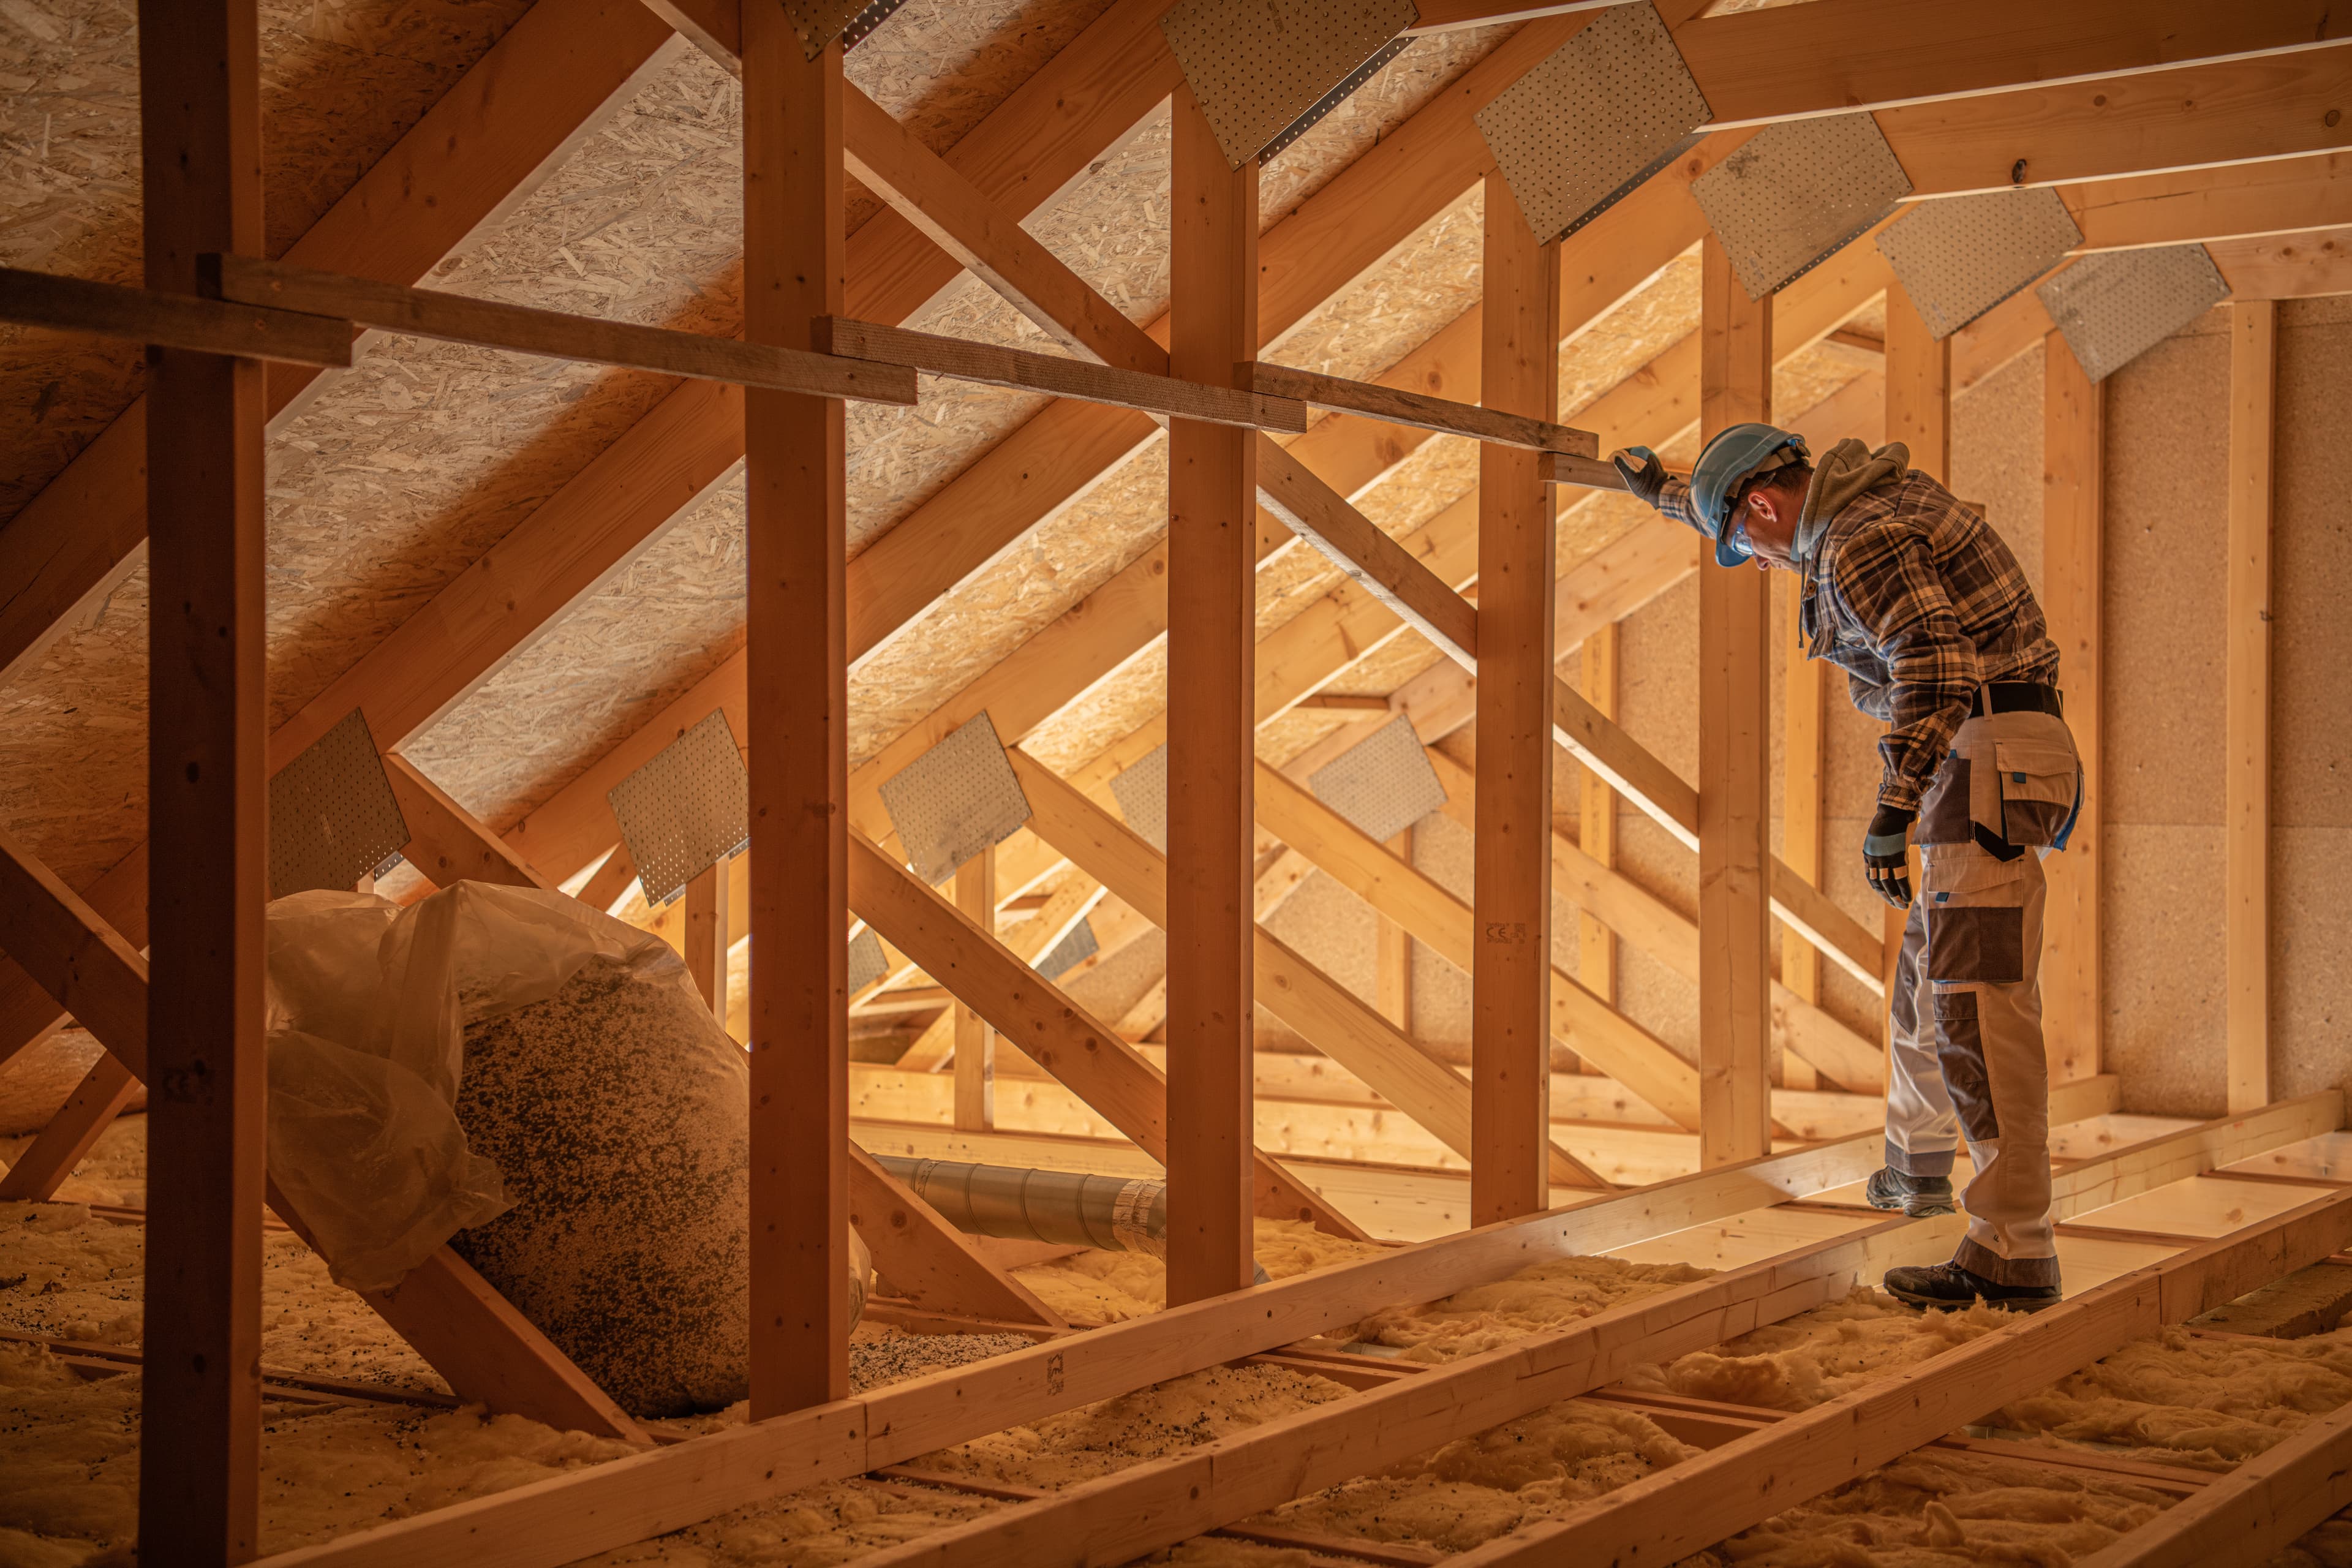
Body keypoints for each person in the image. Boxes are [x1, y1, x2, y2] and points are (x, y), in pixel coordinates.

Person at [1614, 427, 2084, 1312]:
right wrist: (1668, 496)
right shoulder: (1856, 513)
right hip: (1987, 755)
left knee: (1979, 1005)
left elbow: (1936, 667)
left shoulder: (1858, 539)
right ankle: (1917, 1169)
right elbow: (1791, 546)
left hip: (1978, 755)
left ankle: (2014, 1248)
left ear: (1763, 503)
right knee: (1930, 981)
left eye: (1743, 542)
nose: (1754, 564)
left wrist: (1893, 809)